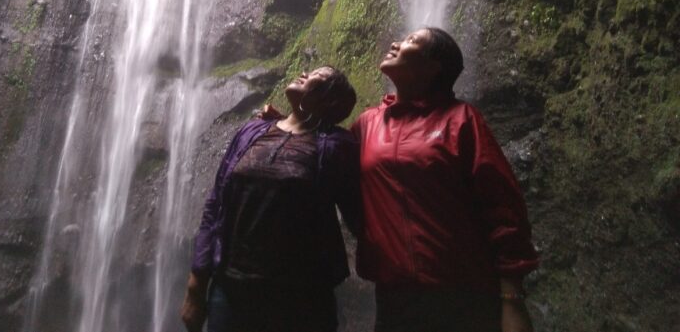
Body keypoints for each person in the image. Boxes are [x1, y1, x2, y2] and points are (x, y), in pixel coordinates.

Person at [352, 27, 539, 332]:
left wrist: (511, 296)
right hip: (393, 296)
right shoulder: (368, 124)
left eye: (412, 41)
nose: (396, 43)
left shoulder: (461, 120)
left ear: (433, 66)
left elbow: (503, 206)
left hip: (463, 295)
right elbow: (333, 162)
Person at [181, 66, 360, 332]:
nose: (304, 74)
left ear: (329, 100)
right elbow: (216, 204)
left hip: (299, 298)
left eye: (317, 77)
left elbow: (358, 210)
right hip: (230, 290)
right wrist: (196, 285)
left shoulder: (337, 146)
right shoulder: (252, 131)